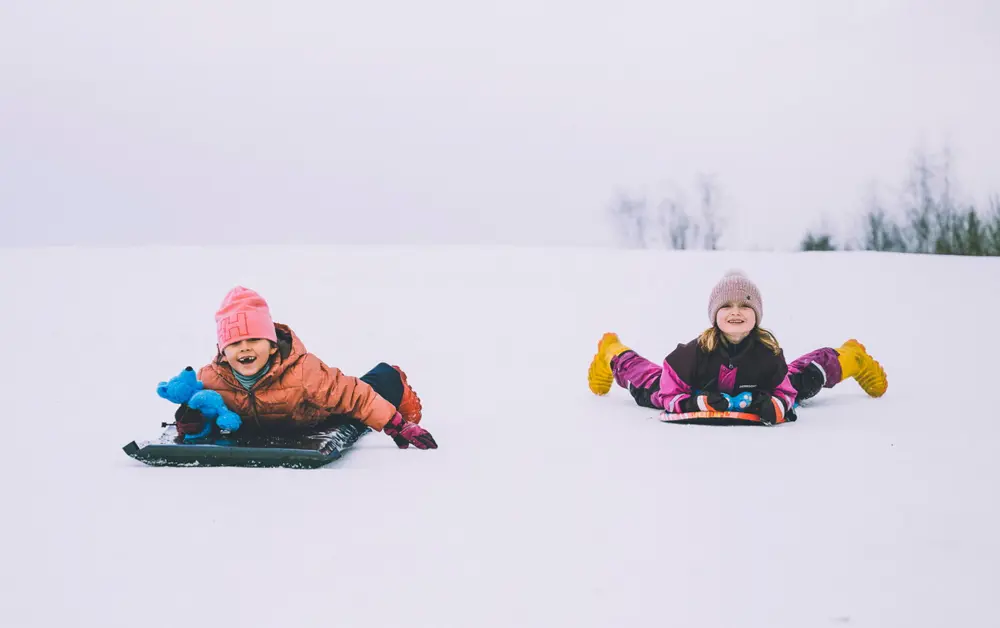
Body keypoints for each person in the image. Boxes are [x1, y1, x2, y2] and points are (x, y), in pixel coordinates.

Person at [586, 270, 887, 424]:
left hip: (753, 392)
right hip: (688, 389)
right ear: (714, 315)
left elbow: (784, 390)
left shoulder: (768, 354)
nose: (736, 312)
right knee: (647, 384)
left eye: (745, 306)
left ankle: (851, 358)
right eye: (726, 306)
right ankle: (612, 351)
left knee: (804, 378)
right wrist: (697, 403)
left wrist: (774, 405)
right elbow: (668, 389)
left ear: (756, 315)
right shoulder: (694, 352)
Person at [171, 286, 437, 449]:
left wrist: (397, 425)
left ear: (273, 346)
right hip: (268, 426)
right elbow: (205, 409)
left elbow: (353, 396)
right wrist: (193, 423)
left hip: (316, 416)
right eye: (235, 343)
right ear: (223, 352)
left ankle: (391, 377)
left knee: (357, 398)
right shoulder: (210, 378)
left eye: (254, 340)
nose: (244, 348)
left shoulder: (302, 371)